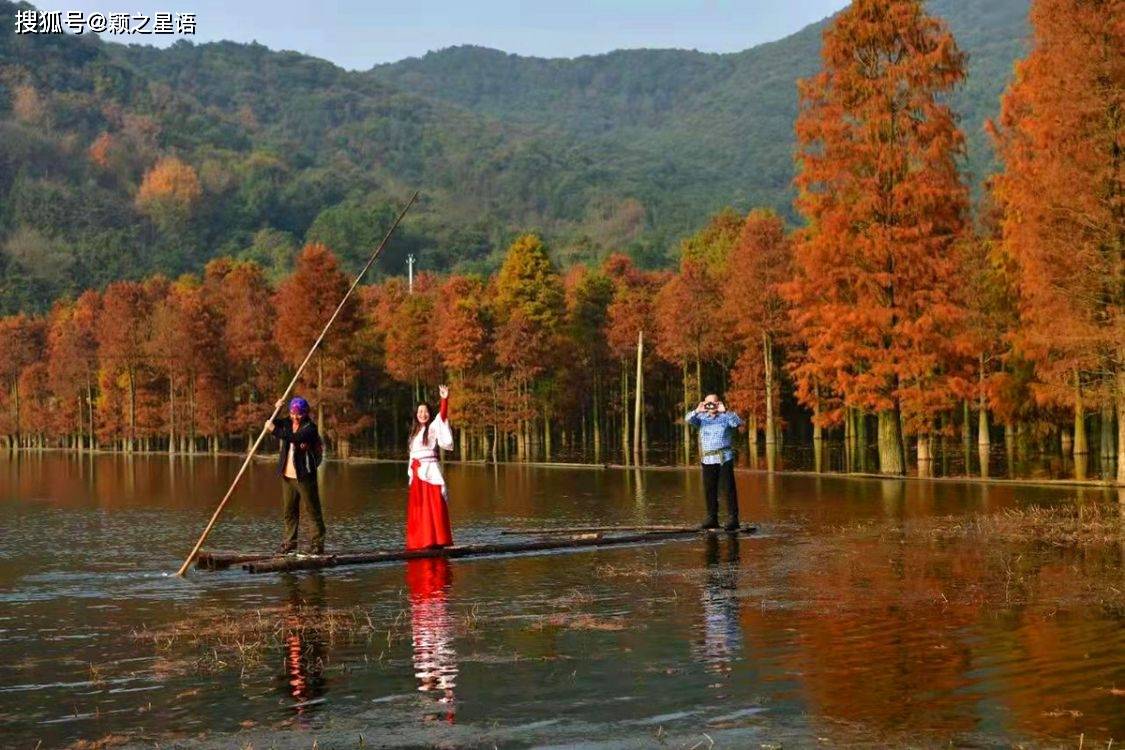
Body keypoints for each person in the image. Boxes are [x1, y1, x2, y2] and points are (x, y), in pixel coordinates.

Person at [265, 396, 325, 554]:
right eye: (292, 413)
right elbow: (270, 422)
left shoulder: (310, 428)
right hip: (287, 476)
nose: (295, 417)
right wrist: (276, 408)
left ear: (305, 413)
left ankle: (317, 545)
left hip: (305, 476)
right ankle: (290, 543)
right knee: (289, 511)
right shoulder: (287, 422)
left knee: (312, 510)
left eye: (298, 414)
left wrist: (275, 431)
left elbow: (293, 438)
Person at [406, 384, 455, 550]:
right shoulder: (414, 432)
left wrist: (444, 399)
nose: (423, 414)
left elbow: (442, 416)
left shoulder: (432, 428)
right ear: (416, 414)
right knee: (419, 509)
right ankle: (419, 541)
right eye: (420, 412)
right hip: (417, 473)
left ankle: (436, 539)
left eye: (425, 411)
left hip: (430, 472)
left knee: (433, 505)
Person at [685, 393, 742, 531]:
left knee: (728, 489)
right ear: (704, 404)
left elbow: (738, 422)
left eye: (713, 403)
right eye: (707, 403)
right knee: (710, 489)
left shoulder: (725, 417)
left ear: (718, 403)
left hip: (724, 458)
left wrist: (725, 411)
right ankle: (712, 518)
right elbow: (687, 419)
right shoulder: (701, 418)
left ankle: (733, 519)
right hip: (708, 459)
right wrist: (697, 410)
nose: (710, 406)